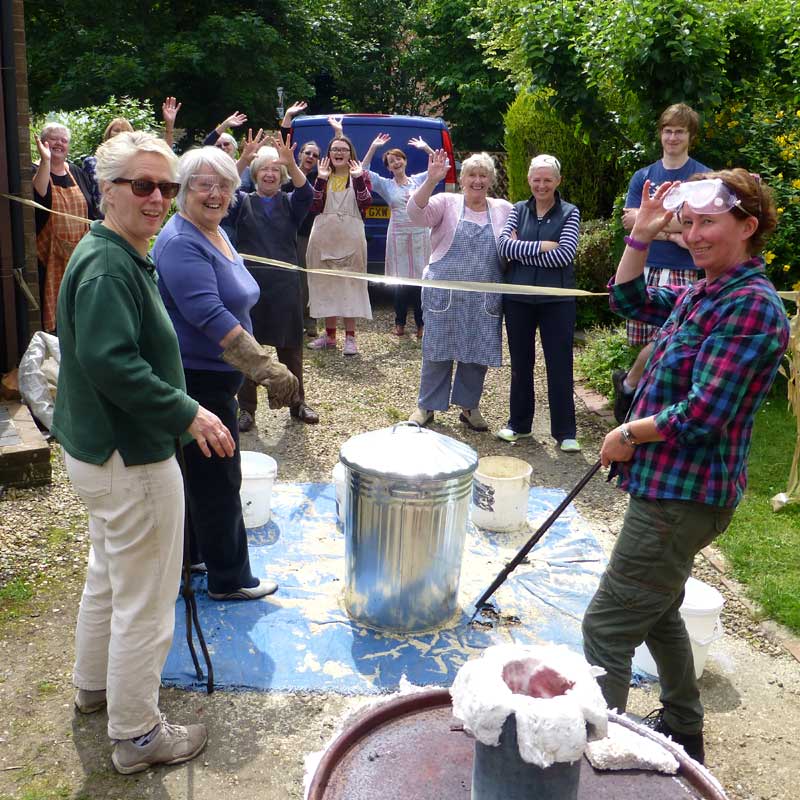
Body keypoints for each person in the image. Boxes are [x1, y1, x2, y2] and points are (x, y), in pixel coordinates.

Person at [582, 170, 790, 765]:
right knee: (658, 606)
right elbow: (628, 299)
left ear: (748, 226)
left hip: (685, 496)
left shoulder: (751, 307)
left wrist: (627, 432)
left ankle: (594, 758)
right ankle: (682, 726)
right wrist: (641, 236)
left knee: (608, 628)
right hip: (670, 489)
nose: (694, 235)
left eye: (708, 223)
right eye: (689, 223)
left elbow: (704, 412)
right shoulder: (707, 289)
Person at [51, 131, 235, 774]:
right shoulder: (106, 265)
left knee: (109, 577)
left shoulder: (118, 251)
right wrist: (188, 411)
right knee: (147, 599)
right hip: (129, 457)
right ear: (107, 190)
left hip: (102, 454)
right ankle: (136, 734)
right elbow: (111, 362)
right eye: (142, 185)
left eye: (166, 186)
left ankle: (95, 688)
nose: (158, 198)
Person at [153, 146, 299, 602]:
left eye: (225, 185)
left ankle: (196, 554)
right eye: (203, 184)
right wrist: (266, 367)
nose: (215, 193)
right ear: (183, 190)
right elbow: (209, 314)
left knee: (201, 476)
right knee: (220, 480)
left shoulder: (212, 232)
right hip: (198, 380)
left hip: (216, 379)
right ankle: (230, 579)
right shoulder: (180, 241)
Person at [614, 103, 711, 423]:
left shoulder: (701, 177)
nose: (672, 137)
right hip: (648, 266)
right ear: (660, 135)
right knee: (647, 341)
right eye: (668, 130)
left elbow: (700, 224)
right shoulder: (644, 176)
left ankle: (629, 385)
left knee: (671, 340)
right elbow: (630, 222)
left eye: (679, 131)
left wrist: (654, 224)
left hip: (686, 270)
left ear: (689, 136)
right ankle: (643, 399)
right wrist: (674, 233)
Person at [406, 150, 512, 431]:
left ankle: (469, 407)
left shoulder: (504, 209)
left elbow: (515, 245)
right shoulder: (445, 202)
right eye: (472, 175)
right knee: (437, 348)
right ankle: (426, 406)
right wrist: (430, 181)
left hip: (485, 294)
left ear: (491, 179)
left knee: (477, 352)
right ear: (462, 179)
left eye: (483, 175)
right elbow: (415, 214)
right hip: (445, 292)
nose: (477, 180)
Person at [223, 135, 318, 430]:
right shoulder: (241, 202)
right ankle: (246, 409)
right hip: (248, 288)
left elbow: (309, 193)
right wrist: (242, 160)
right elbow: (224, 189)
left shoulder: (291, 203)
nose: (269, 174)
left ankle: (297, 402)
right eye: (264, 169)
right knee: (248, 349)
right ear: (255, 173)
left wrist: (291, 161)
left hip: (285, 286)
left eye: (276, 170)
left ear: (282, 176)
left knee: (291, 347)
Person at [496, 154, 581, 452]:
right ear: (529, 181)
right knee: (520, 364)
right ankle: (518, 425)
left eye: (547, 179)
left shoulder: (570, 212)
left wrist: (522, 249)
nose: (541, 185)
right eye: (537, 179)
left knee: (559, 365)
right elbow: (503, 245)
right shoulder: (517, 209)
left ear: (557, 181)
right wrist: (543, 246)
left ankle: (565, 432)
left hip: (556, 301)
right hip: (518, 299)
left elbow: (564, 255)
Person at [305, 134, 373, 355]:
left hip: (350, 237)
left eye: (343, 149)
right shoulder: (321, 175)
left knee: (350, 286)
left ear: (350, 153)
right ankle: (330, 336)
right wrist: (321, 179)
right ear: (329, 153)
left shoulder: (359, 176)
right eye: (335, 149)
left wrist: (359, 178)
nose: (339, 152)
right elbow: (314, 206)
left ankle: (351, 338)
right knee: (325, 285)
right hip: (324, 237)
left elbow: (366, 203)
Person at [361, 132, 433, 338]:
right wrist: (373, 147)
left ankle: (422, 324)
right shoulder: (385, 184)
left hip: (420, 234)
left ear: (405, 161)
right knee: (400, 282)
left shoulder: (419, 180)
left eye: (398, 158)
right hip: (398, 236)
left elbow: (439, 167)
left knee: (421, 281)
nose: (396, 162)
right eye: (391, 161)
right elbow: (362, 171)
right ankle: (399, 322)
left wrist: (426, 148)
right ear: (388, 167)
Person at [32, 122, 100, 331]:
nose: (59, 143)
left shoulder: (77, 172)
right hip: (50, 259)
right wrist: (46, 160)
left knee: (82, 315)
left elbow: (90, 207)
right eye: (54, 138)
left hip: (80, 257)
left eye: (64, 140)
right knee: (57, 323)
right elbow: (40, 194)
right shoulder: (36, 169)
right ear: (44, 142)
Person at [280, 100, 322, 337]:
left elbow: (342, 153)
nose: (311, 157)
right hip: (282, 231)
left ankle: (309, 320)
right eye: (308, 153)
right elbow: (284, 141)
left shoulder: (319, 177)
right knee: (284, 275)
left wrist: (338, 132)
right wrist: (288, 116)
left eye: (315, 155)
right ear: (300, 153)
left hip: (306, 233)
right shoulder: (286, 170)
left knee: (305, 278)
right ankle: (287, 318)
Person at [83, 118, 135, 209]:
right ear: (109, 134)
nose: (120, 134)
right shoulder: (91, 163)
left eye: (125, 131)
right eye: (117, 130)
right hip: (98, 217)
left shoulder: (136, 164)